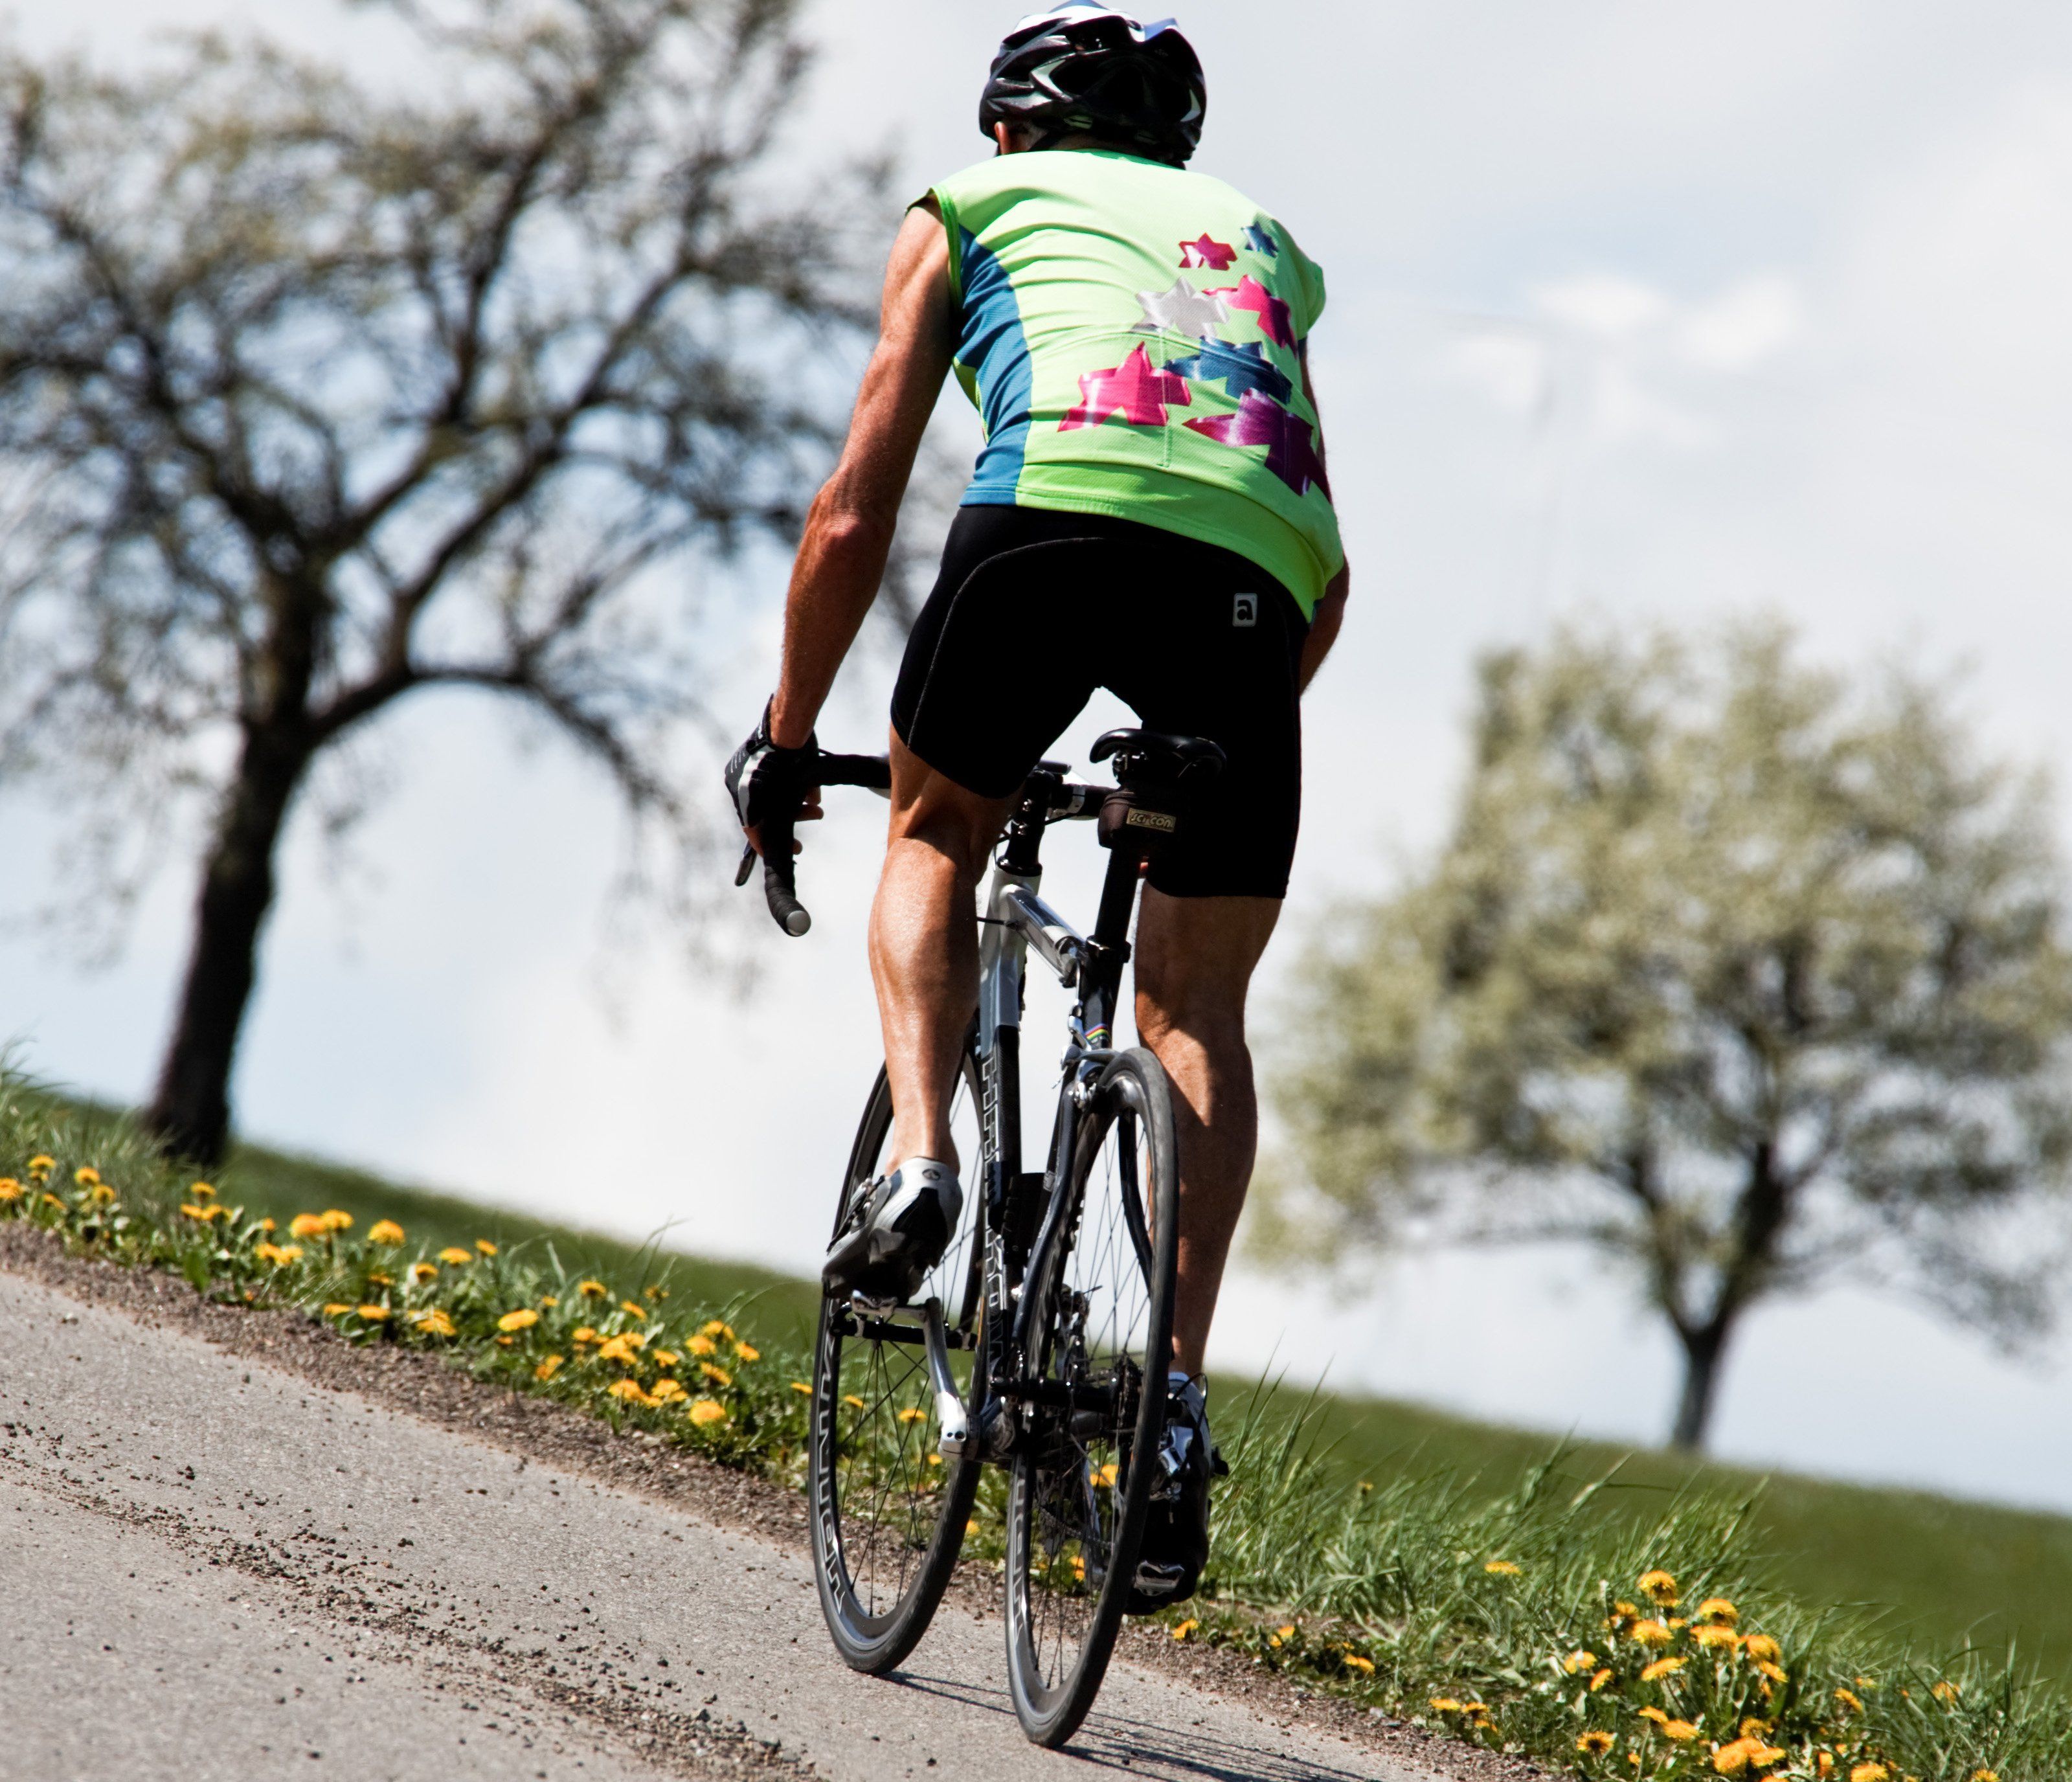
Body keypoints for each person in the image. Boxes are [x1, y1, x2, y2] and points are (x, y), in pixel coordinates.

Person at [727, 3, 1347, 1607]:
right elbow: (1320, 562)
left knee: (932, 830)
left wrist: (789, 734)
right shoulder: (1261, 243)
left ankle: (922, 1159)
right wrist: (1223, 742)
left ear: (1010, 131)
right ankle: (1174, 1404)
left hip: (1044, 529)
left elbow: (861, 491)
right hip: (1245, 597)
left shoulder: (969, 204)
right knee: (1196, 1001)